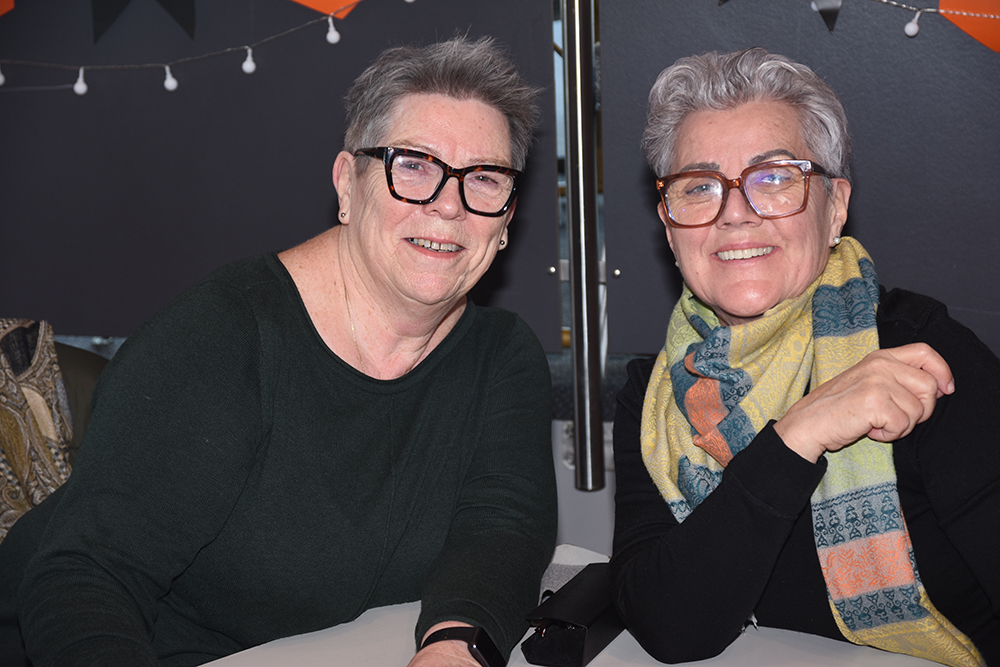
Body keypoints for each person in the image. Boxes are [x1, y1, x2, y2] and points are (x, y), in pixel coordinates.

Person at [0, 36, 557, 667]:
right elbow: (85, 575)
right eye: (413, 165)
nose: (449, 206)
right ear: (348, 185)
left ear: (506, 221)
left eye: (484, 178)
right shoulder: (220, 337)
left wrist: (454, 647)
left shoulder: (501, 357)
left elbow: (501, 530)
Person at [609, 47, 999, 667]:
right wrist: (797, 434)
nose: (735, 214)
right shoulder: (655, 399)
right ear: (669, 225)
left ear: (835, 206)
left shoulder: (920, 355)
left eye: (774, 178)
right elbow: (668, 627)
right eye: (699, 187)